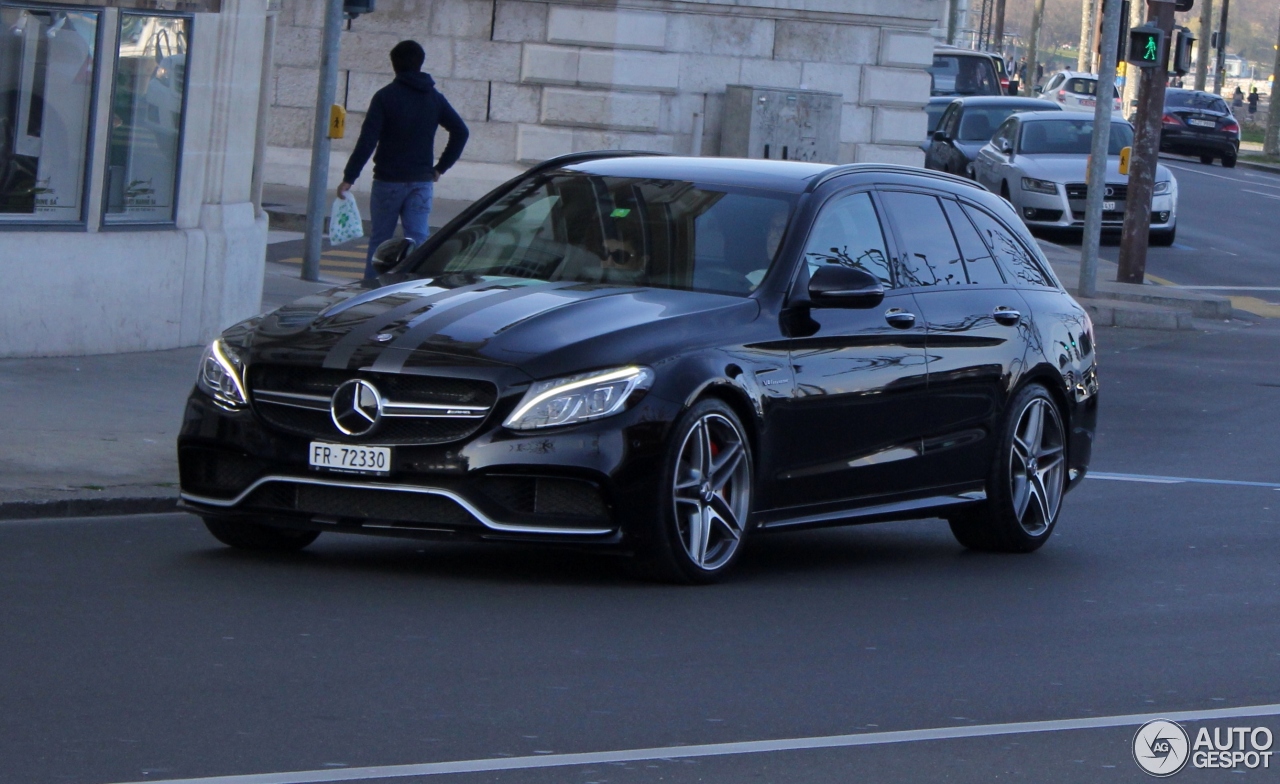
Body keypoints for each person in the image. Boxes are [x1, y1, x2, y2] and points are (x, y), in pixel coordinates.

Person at [338, 40, 469, 278]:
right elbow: (461, 131)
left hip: (388, 181)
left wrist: (349, 177)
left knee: (380, 240)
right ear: (420, 63)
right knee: (418, 240)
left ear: (394, 65)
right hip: (421, 181)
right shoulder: (434, 97)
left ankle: (371, 290)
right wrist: (441, 167)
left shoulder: (385, 97)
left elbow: (367, 141)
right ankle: (413, 289)